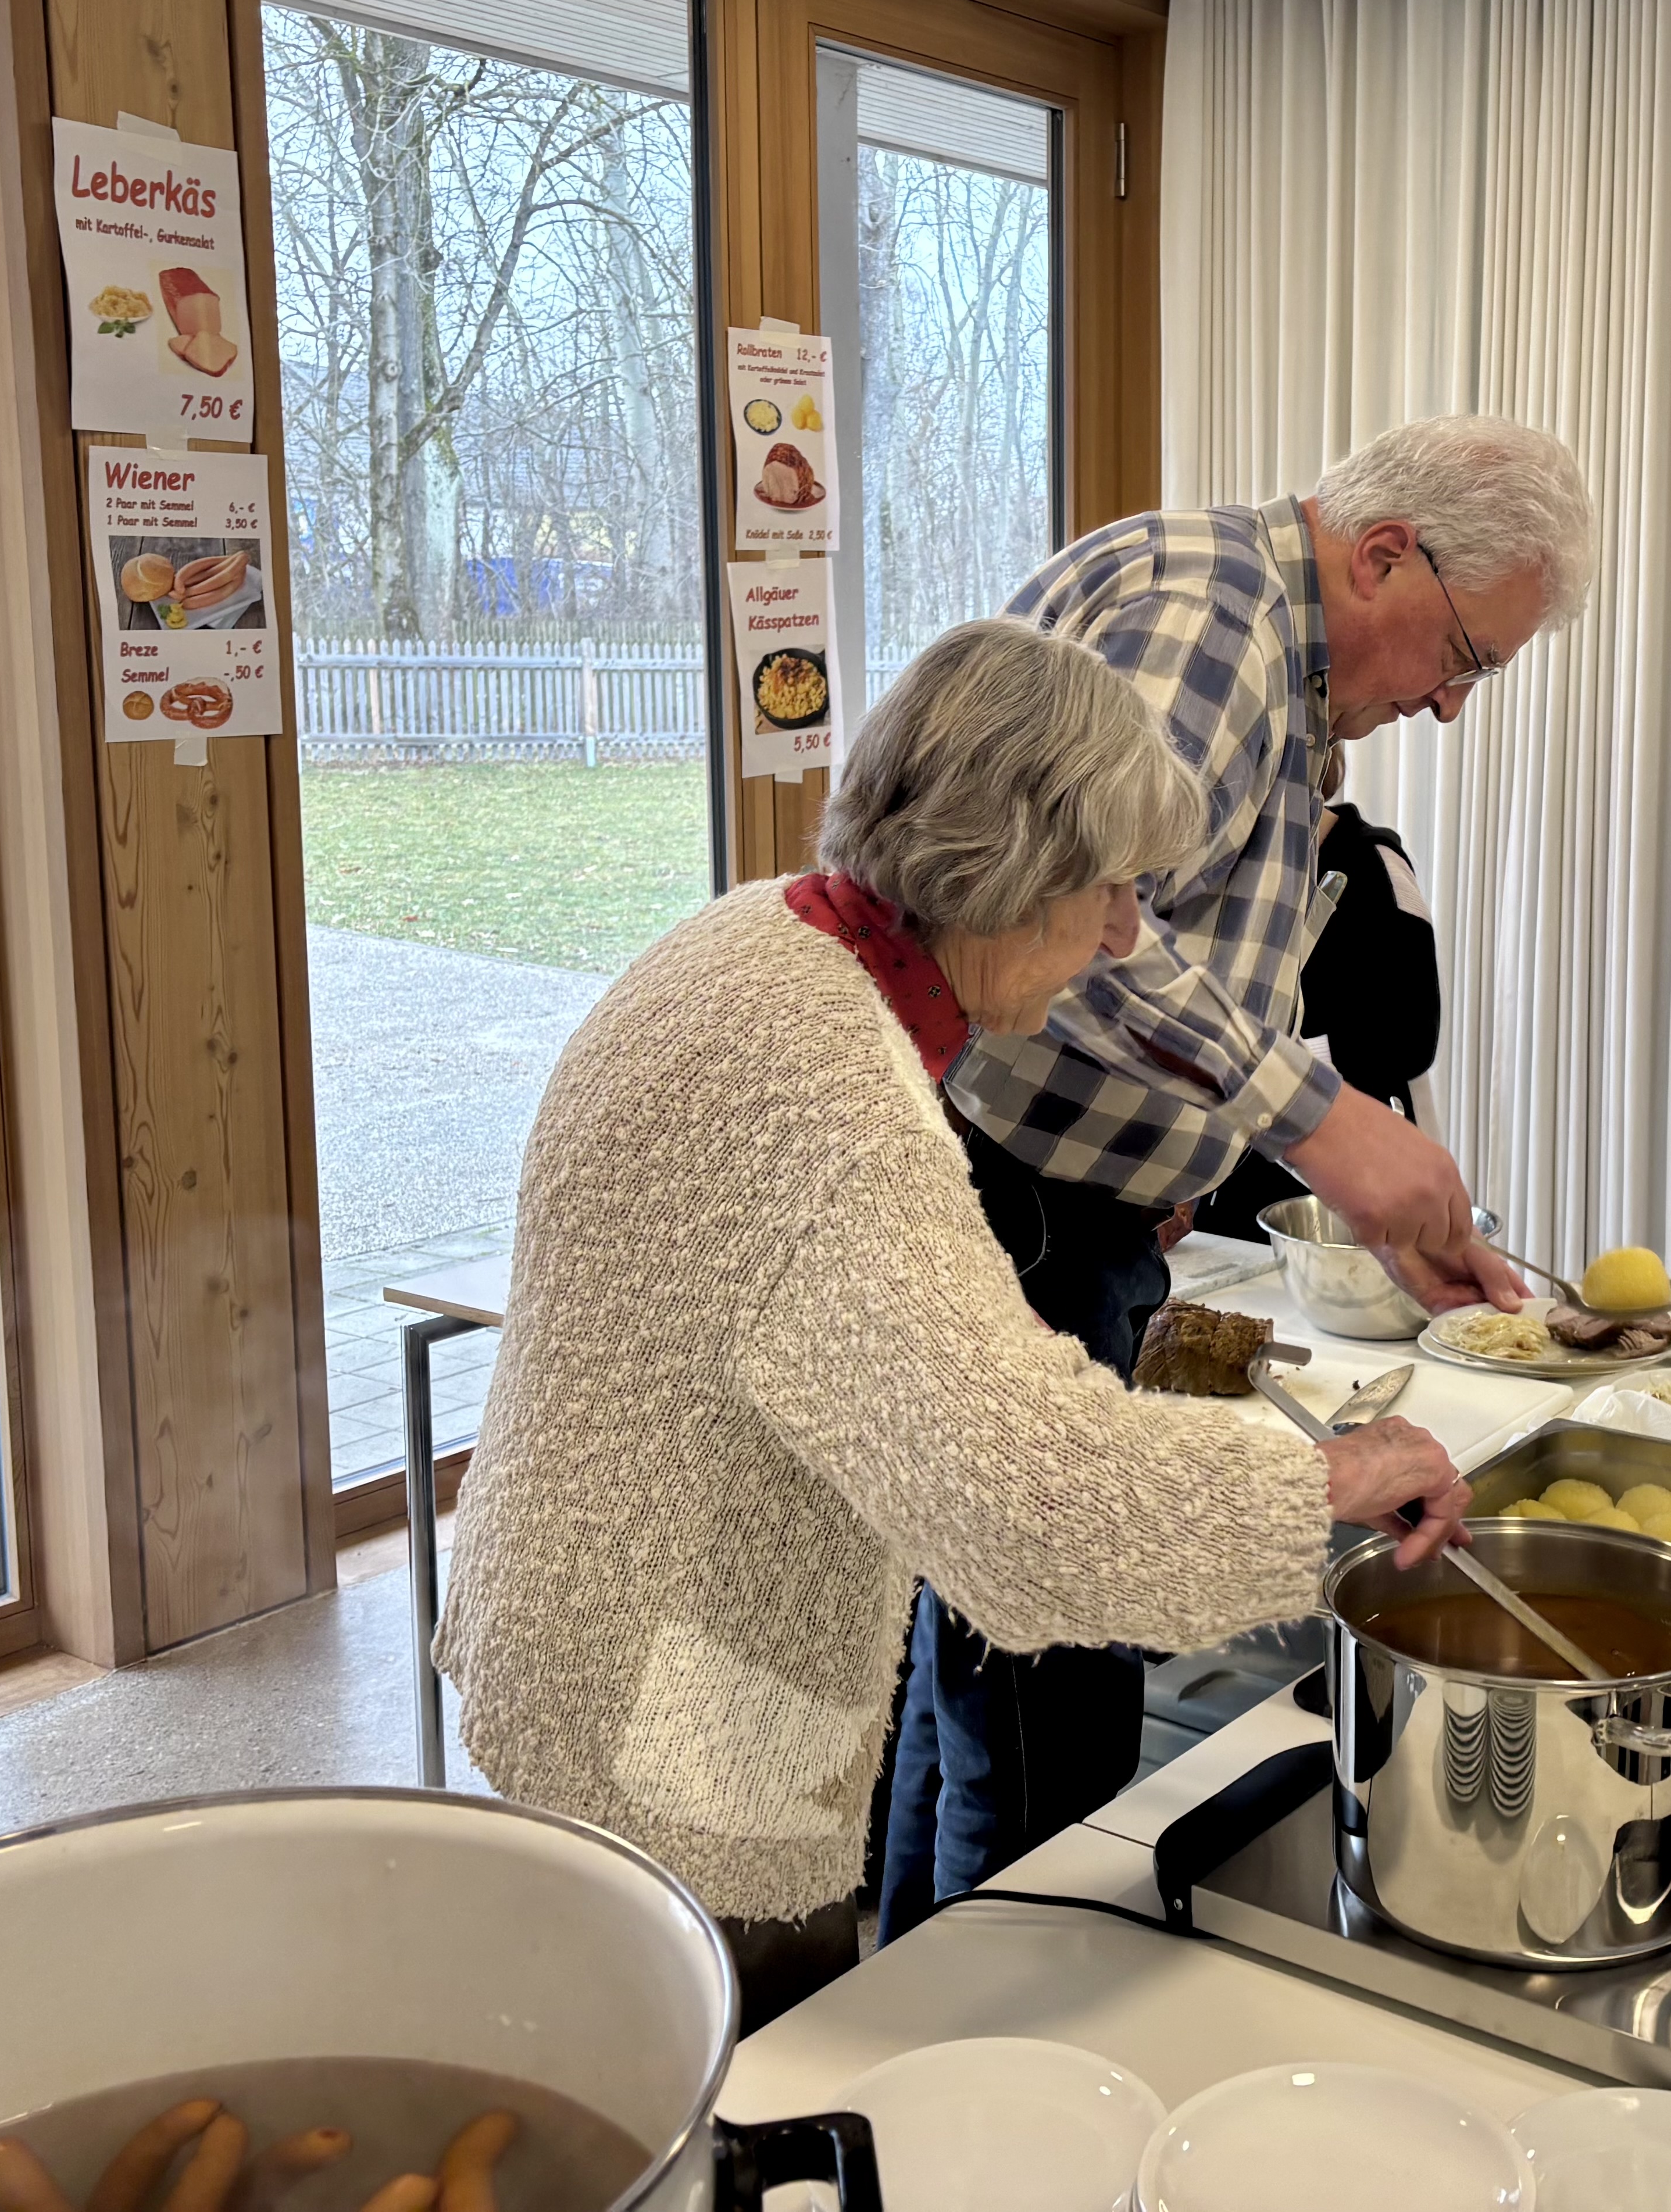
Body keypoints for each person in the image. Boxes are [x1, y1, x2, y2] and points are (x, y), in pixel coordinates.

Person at [434, 619, 1473, 2030]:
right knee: (721, 2089)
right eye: (1108, 887)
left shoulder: (753, 937)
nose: (1122, 934)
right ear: (1002, 868)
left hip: (587, 1617)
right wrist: (1330, 1486)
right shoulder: (827, 1081)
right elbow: (1033, 1505)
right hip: (669, 1709)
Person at [879, 413, 1598, 1938]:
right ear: (1385, 551)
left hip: (1070, 1219)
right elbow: (1065, 912)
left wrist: (1305, 1173)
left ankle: (901, 2005)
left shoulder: (1266, 654)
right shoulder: (1206, 630)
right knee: (1041, 1706)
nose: (1456, 708)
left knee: (984, 1685)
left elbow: (1183, 954)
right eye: (1468, 657)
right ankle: (998, 2074)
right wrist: (1324, 1122)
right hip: (1013, 1214)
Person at [1197, 754, 1445, 1240]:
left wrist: (1286, 1058)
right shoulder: (1227, 872)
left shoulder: (1377, 866)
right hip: (1225, 1179)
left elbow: (1413, 1039)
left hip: (1332, 1185)